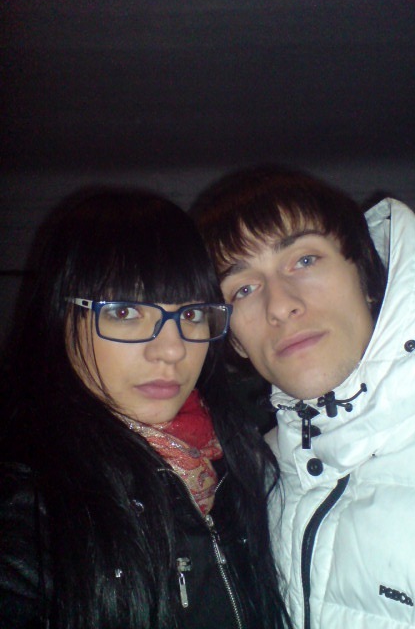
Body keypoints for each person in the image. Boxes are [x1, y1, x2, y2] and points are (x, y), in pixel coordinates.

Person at [192, 165, 415, 629]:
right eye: (243, 288)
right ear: (236, 342)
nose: (280, 304)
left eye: (304, 260)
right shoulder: (252, 480)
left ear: (366, 278)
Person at [0, 186, 292, 629]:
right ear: (61, 318)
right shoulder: (30, 503)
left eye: (192, 315)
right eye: (125, 312)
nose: (172, 349)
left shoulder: (245, 462)